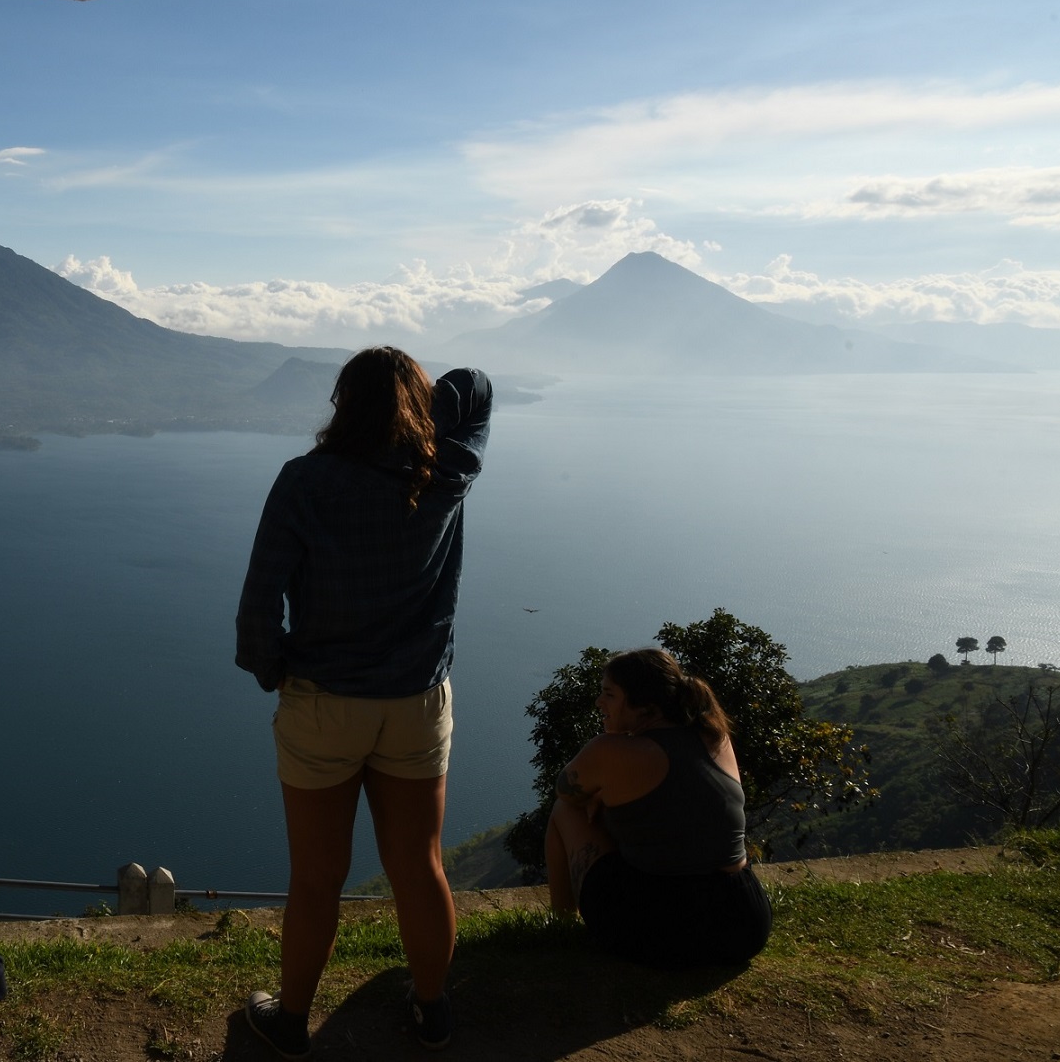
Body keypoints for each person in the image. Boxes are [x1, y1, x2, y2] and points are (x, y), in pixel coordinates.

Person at [235, 346, 492, 1057]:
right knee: (421, 865)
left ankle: (290, 1021)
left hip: (324, 702)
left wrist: (276, 671)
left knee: (317, 876)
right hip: (415, 700)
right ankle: (434, 1012)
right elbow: (476, 385)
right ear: (415, 406)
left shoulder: (305, 482)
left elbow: (258, 611)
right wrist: (416, 416)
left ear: (340, 404)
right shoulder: (445, 471)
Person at [543, 648, 772, 969]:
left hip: (658, 931)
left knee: (565, 811)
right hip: (744, 925)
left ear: (645, 709)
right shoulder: (715, 736)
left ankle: (561, 923)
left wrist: (599, 795)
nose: (599, 703)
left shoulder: (611, 750)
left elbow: (566, 791)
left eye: (609, 695)